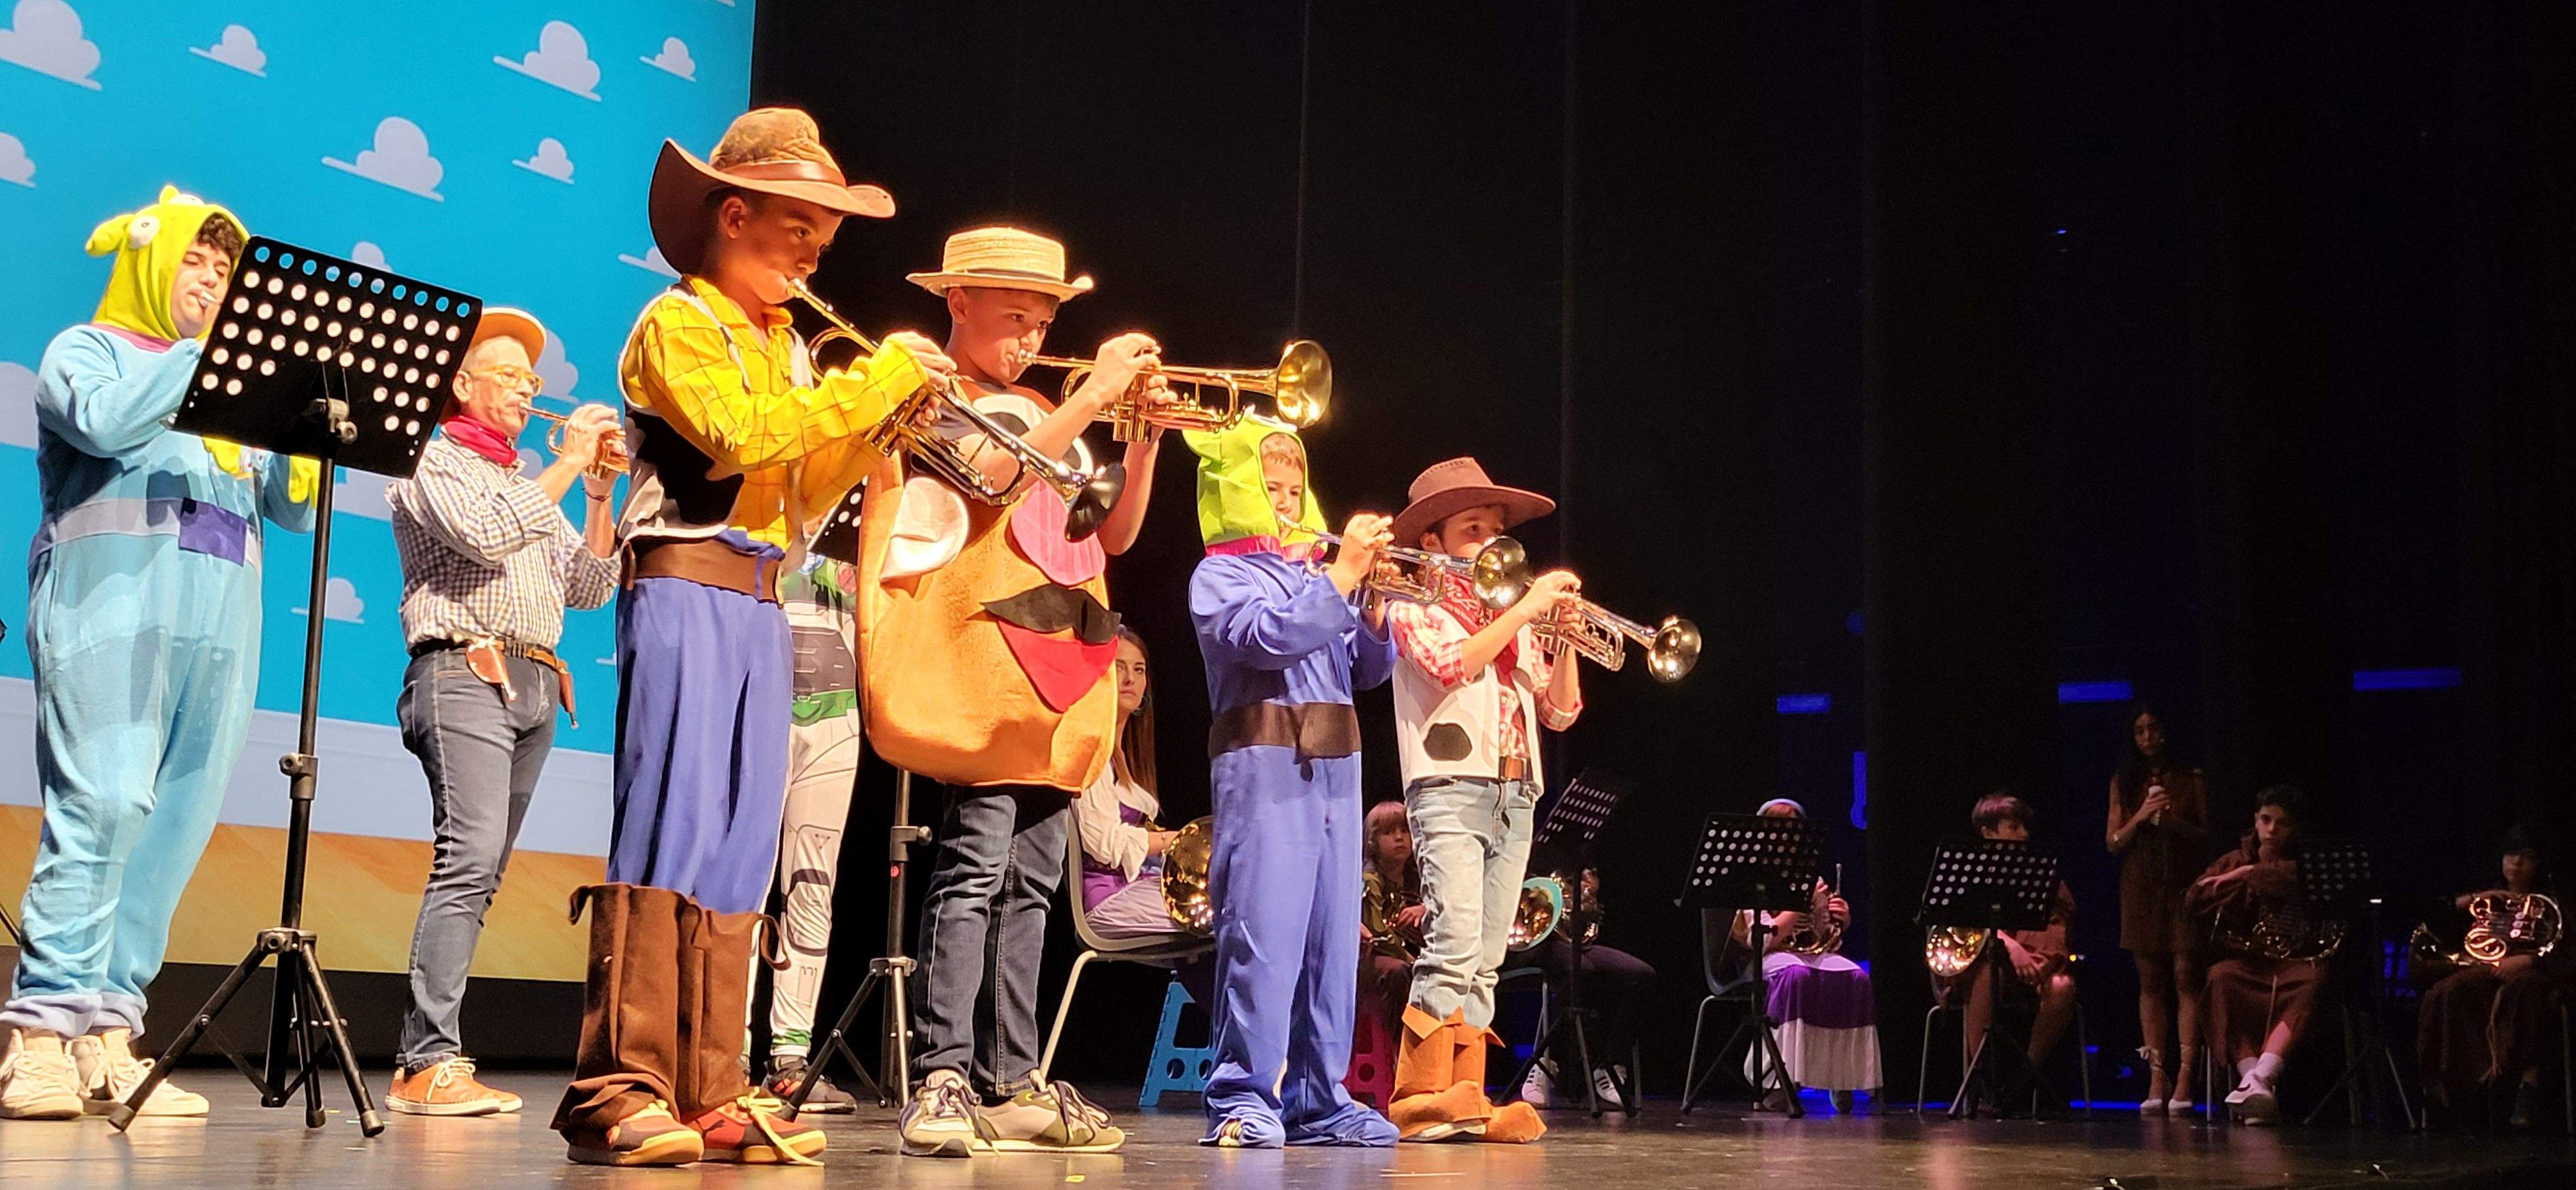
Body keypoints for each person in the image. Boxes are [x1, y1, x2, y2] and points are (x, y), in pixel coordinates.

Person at [553, 106, 944, 1168]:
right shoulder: (677, 323)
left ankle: (711, 1084)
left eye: (826, 229)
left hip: (764, 595)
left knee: (737, 848)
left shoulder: (782, 344)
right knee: (671, 826)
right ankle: (618, 1084)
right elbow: (736, 438)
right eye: (800, 223)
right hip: (683, 580)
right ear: (734, 214)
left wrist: (876, 430)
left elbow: (800, 490)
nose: (818, 247)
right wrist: (869, 385)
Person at [0, 187, 317, 1122]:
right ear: (150, 260)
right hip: (112, 606)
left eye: (227, 272)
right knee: (103, 801)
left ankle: (107, 1029)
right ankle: (42, 1031)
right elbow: (97, 423)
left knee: (171, 829)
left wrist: (294, 431)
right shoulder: (89, 350)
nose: (215, 282)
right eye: (197, 262)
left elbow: (292, 510)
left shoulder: (231, 398)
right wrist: (202, 359)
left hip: (219, 626)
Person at [866, 227, 1168, 1158]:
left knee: (1035, 882)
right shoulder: (935, 394)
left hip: (1064, 666)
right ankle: (946, 1071)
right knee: (972, 867)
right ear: (957, 304)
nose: (1032, 337)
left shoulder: (1048, 407)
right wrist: (1091, 397)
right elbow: (995, 473)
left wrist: (1143, 438)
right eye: (1014, 317)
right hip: (984, 663)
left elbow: (1113, 539)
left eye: (1042, 320)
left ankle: (1013, 1076)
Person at [382, 309, 620, 1116]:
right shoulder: (431, 459)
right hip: (463, 669)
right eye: (510, 375)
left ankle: (432, 1055)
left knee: (482, 873)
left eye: (533, 380)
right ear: (460, 383)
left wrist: (596, 494)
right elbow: (483, 535)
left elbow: (588, 589)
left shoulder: (531, 486)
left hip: (537, 681)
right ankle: (426, 1062)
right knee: (468, 857)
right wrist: (562, 472)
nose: (528, 389)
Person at [1185, 419, 1401, 1148]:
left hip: (1339, 772)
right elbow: (1267, 638)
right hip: (1265, 768)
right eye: (1266, 489)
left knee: (1332, 945)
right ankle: (1242, 1097)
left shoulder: (1319, 578)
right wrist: (1341, 579)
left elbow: (1367, 672)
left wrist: (1371, 607)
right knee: (1264, 937)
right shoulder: (1218, 576)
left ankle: (1318, 1097)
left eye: (1291, 490)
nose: (1283, 503)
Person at [1381, 457, 1584, 1144]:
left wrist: (1563, 632)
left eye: (1498, 530)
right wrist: (1526, 609)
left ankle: (1463, 1095)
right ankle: (1417, 1097)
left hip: (1515, 791)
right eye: (1474, 528)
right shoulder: (1410, 606)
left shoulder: (1517, 619)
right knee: (1453, 940)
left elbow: (1561, 713)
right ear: (1433, 542)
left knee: (1488, 953)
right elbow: (1450, 666)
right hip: (1449, 787)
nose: (1494, 542)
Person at [755, 555, 866, 1111]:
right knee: (746, 885)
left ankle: (789, 1059)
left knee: (811, 886)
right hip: (759, 709)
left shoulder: (859, 522)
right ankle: (724, 1054)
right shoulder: (762, 499)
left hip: (835, 721)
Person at [2190, 784, 2327, 1126]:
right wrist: (2238, 881)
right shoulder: (2234, 859)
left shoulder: (2307, 863)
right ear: (2255, 821)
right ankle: (2255, 1085)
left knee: (2313, 980)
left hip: (2294, 962)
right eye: (2265, 820)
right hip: (2251, 962)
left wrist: (2253, 874)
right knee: (2220, 977)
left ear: (2294, 828)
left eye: (2281, 824)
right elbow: (2194, 898)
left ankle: (2261, 1078)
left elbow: (2306, 882)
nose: (2271, 830)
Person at [2415, 827, 2567, 1129]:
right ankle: (2459, 1089)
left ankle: (2524, 1084)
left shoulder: (2557, 899)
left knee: (2524, 990)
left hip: (2538, 973)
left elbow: (2566, 947)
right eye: (2511, 856)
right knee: (2449, 991)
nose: (2516, 864)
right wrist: (2474, 899)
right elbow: (2433, 917)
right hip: (2489, 969)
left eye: (2526, 858)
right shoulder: (2491, 897)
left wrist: (2528, 959)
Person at [1736, 798, 1880, 1113]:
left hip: (1803, 953)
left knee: (1855, 976)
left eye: (1794, 833)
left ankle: (1844, 1077)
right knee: (1795, 975)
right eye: (1779, 832)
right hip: (1767, 958)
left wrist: (1836, 919)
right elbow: (1757, 941)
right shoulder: (1751, 877)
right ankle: (1777, 1079)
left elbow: (1823, 941)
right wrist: (1797, 907)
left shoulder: (1810, 879)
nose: (1788, 840)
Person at [1940, 794, 2078, 1111]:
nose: (2024, 835)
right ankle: (1980, 1082)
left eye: (2024, 827)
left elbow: (2059, 926)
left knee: (2063, 987)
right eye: (2014, 827)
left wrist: (2037, 960)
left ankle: (2023, 1079)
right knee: (1990, 971)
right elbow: (1958, 923)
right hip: (1980, 967)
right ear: (1989, 833)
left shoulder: (2042, 876)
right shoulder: (1966, 872)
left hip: (2036, 968)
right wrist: (2010, 945)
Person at [2106, 706, 2208, 1115]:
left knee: (2185, 974)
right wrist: (2143, 816)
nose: (2148, 737)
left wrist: (2171, 822)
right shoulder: (2124, 782)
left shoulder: (2191, 779)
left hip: (2181, 883)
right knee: (2150, 980)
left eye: (2154, 728)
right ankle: (2157, 1074)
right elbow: (2113, 841)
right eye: (2139, 731)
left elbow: (2206, 835)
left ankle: (2186, 1074)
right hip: (2140, 887)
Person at [1515, 862, 1658, 1112]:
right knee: (1579, 970)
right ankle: (1546, 1062)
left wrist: (1586, 898)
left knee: (1642, 975)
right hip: (1536, 939)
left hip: (1574, 941)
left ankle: (1610, 1064)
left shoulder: (1586, 857)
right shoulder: (1542, 848)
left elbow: (1587, 916)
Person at [1359, 802, 1426, 1046]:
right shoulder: (1370, 879)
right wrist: (1409, 958)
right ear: (1373, 842)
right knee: (1399, 971)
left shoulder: (1417, 877)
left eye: (1405, 830)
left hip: (1412, 952)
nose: (1400, 838)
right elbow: (1376, 932)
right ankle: (1402, 1049)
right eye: (1389, 832)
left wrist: (1425, 909)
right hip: (1373, 957)